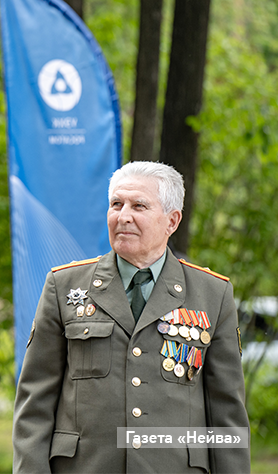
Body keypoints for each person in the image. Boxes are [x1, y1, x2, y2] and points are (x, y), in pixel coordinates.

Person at [13, 161, 250, 473]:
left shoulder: (212, 293)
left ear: (172, 221)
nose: (123, 216)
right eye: (116, 204)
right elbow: (35, 404)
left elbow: (227, 414)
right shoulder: (64, 286)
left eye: (139, 206)